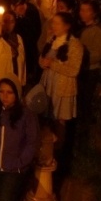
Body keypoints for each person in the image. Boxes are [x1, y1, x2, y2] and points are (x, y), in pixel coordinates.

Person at [39, 12, 83, 150]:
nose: (54, 26)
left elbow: (74, 70)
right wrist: (43, 63)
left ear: (67, 26)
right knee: (47, 118)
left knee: (60, 121)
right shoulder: (51, 39)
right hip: (48, 83)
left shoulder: (75, 45)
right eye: (53, 23)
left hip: (62, 87)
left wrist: (53, 64)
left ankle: (59, 152)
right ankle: (46, 149)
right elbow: (42, 57)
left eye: (57, 23)